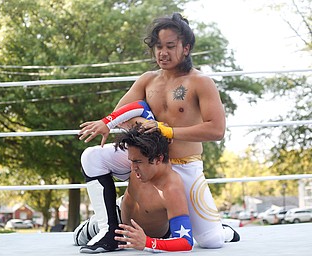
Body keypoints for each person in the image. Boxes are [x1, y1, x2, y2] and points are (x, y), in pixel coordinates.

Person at [78, 12, 240, 253]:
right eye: (158, 46)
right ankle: (107, 228)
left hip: (184, 165)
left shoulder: (200, 82)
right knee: (92, 156)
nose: (163, 52)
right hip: (149, 160)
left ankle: (220, 227)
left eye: (170, 46)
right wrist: (143, 129)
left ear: (186, 48)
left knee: (211, 241)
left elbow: (216, 129)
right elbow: (120, 113)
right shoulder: (147, 80)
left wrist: (166, 130)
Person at [74, 124, 194, 252]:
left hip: (148, 235)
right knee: (77, 237)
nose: (132, 167)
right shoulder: (140, 163)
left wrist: (148, 243)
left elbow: (185, 242)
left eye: (137, 162)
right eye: (131, 161)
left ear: (159, 159)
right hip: (118, 218)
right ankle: (108, 232)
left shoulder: (171, 190)